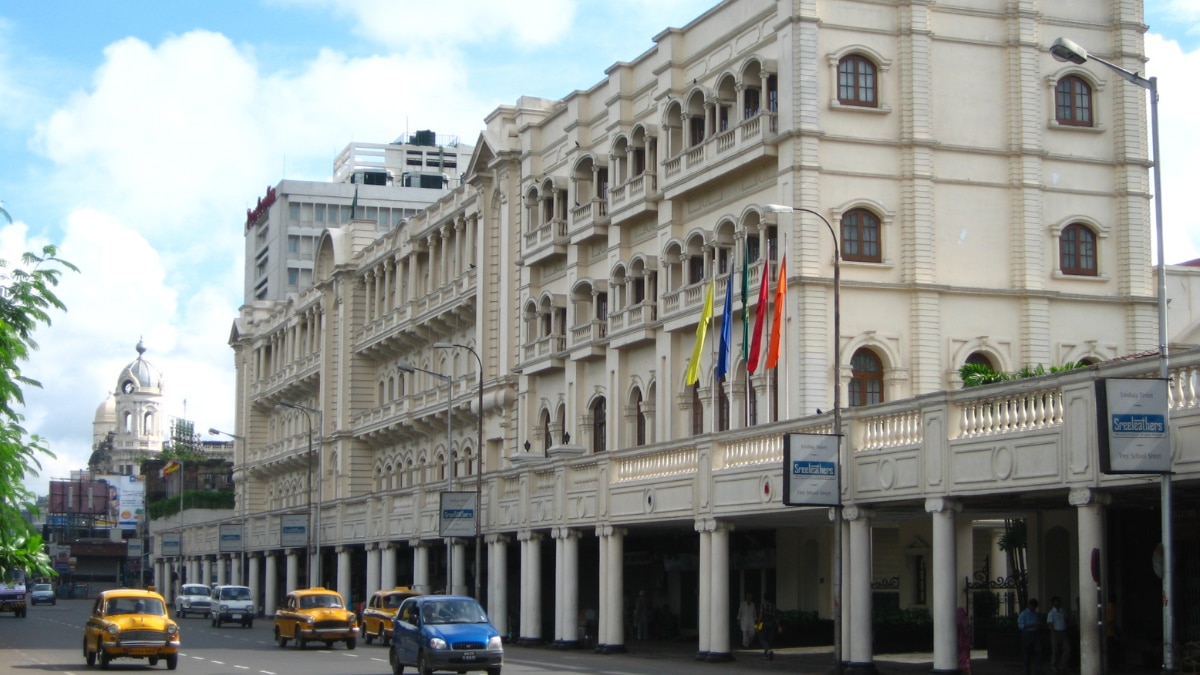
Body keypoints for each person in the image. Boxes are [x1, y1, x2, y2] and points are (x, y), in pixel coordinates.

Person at [1018, 598, 1042, 675]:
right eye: (1033, 606)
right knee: (1027, 653)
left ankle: (1038, 669)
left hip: (1035, 633)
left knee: (1038, 651)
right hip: (1027, 633)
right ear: (1029, 605)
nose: (1033, 608)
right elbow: (1021, 626)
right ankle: (1027, 670)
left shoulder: (1035, 613)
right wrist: (1032, 625)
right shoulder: (1024, 614)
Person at [1046, 596, 1069, 673]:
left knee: (1067, 649)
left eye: (1058, 602)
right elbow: (1050, 624)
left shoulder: (1063, 611)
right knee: (1055, 650)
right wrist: (1053, 634)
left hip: (1063, 631)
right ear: (1053, 603)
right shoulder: (1051, 613)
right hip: (1055, 632)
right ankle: (1054, 665)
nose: (1057, 604)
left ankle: (1062, 665)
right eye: (1055, 602)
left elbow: (1066, 619)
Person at [757, 594, 779, 661]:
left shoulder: (762, 605)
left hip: (764, 623)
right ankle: (766, 655)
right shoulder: (773, 606)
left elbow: (761, 615)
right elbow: (775, 617)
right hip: (771, 623)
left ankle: (769, 651)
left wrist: (758, 624)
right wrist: (779, 626)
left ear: (764, 599)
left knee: (762, 639)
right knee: (769, 640)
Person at [957, 607, 974, 674]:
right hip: (965, 641)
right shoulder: (965, 621)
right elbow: (969, 631)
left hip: (961, 641)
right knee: (966, 656)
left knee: (962, 655)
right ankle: (966, 668)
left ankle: (963, 667)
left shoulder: (958, 621)